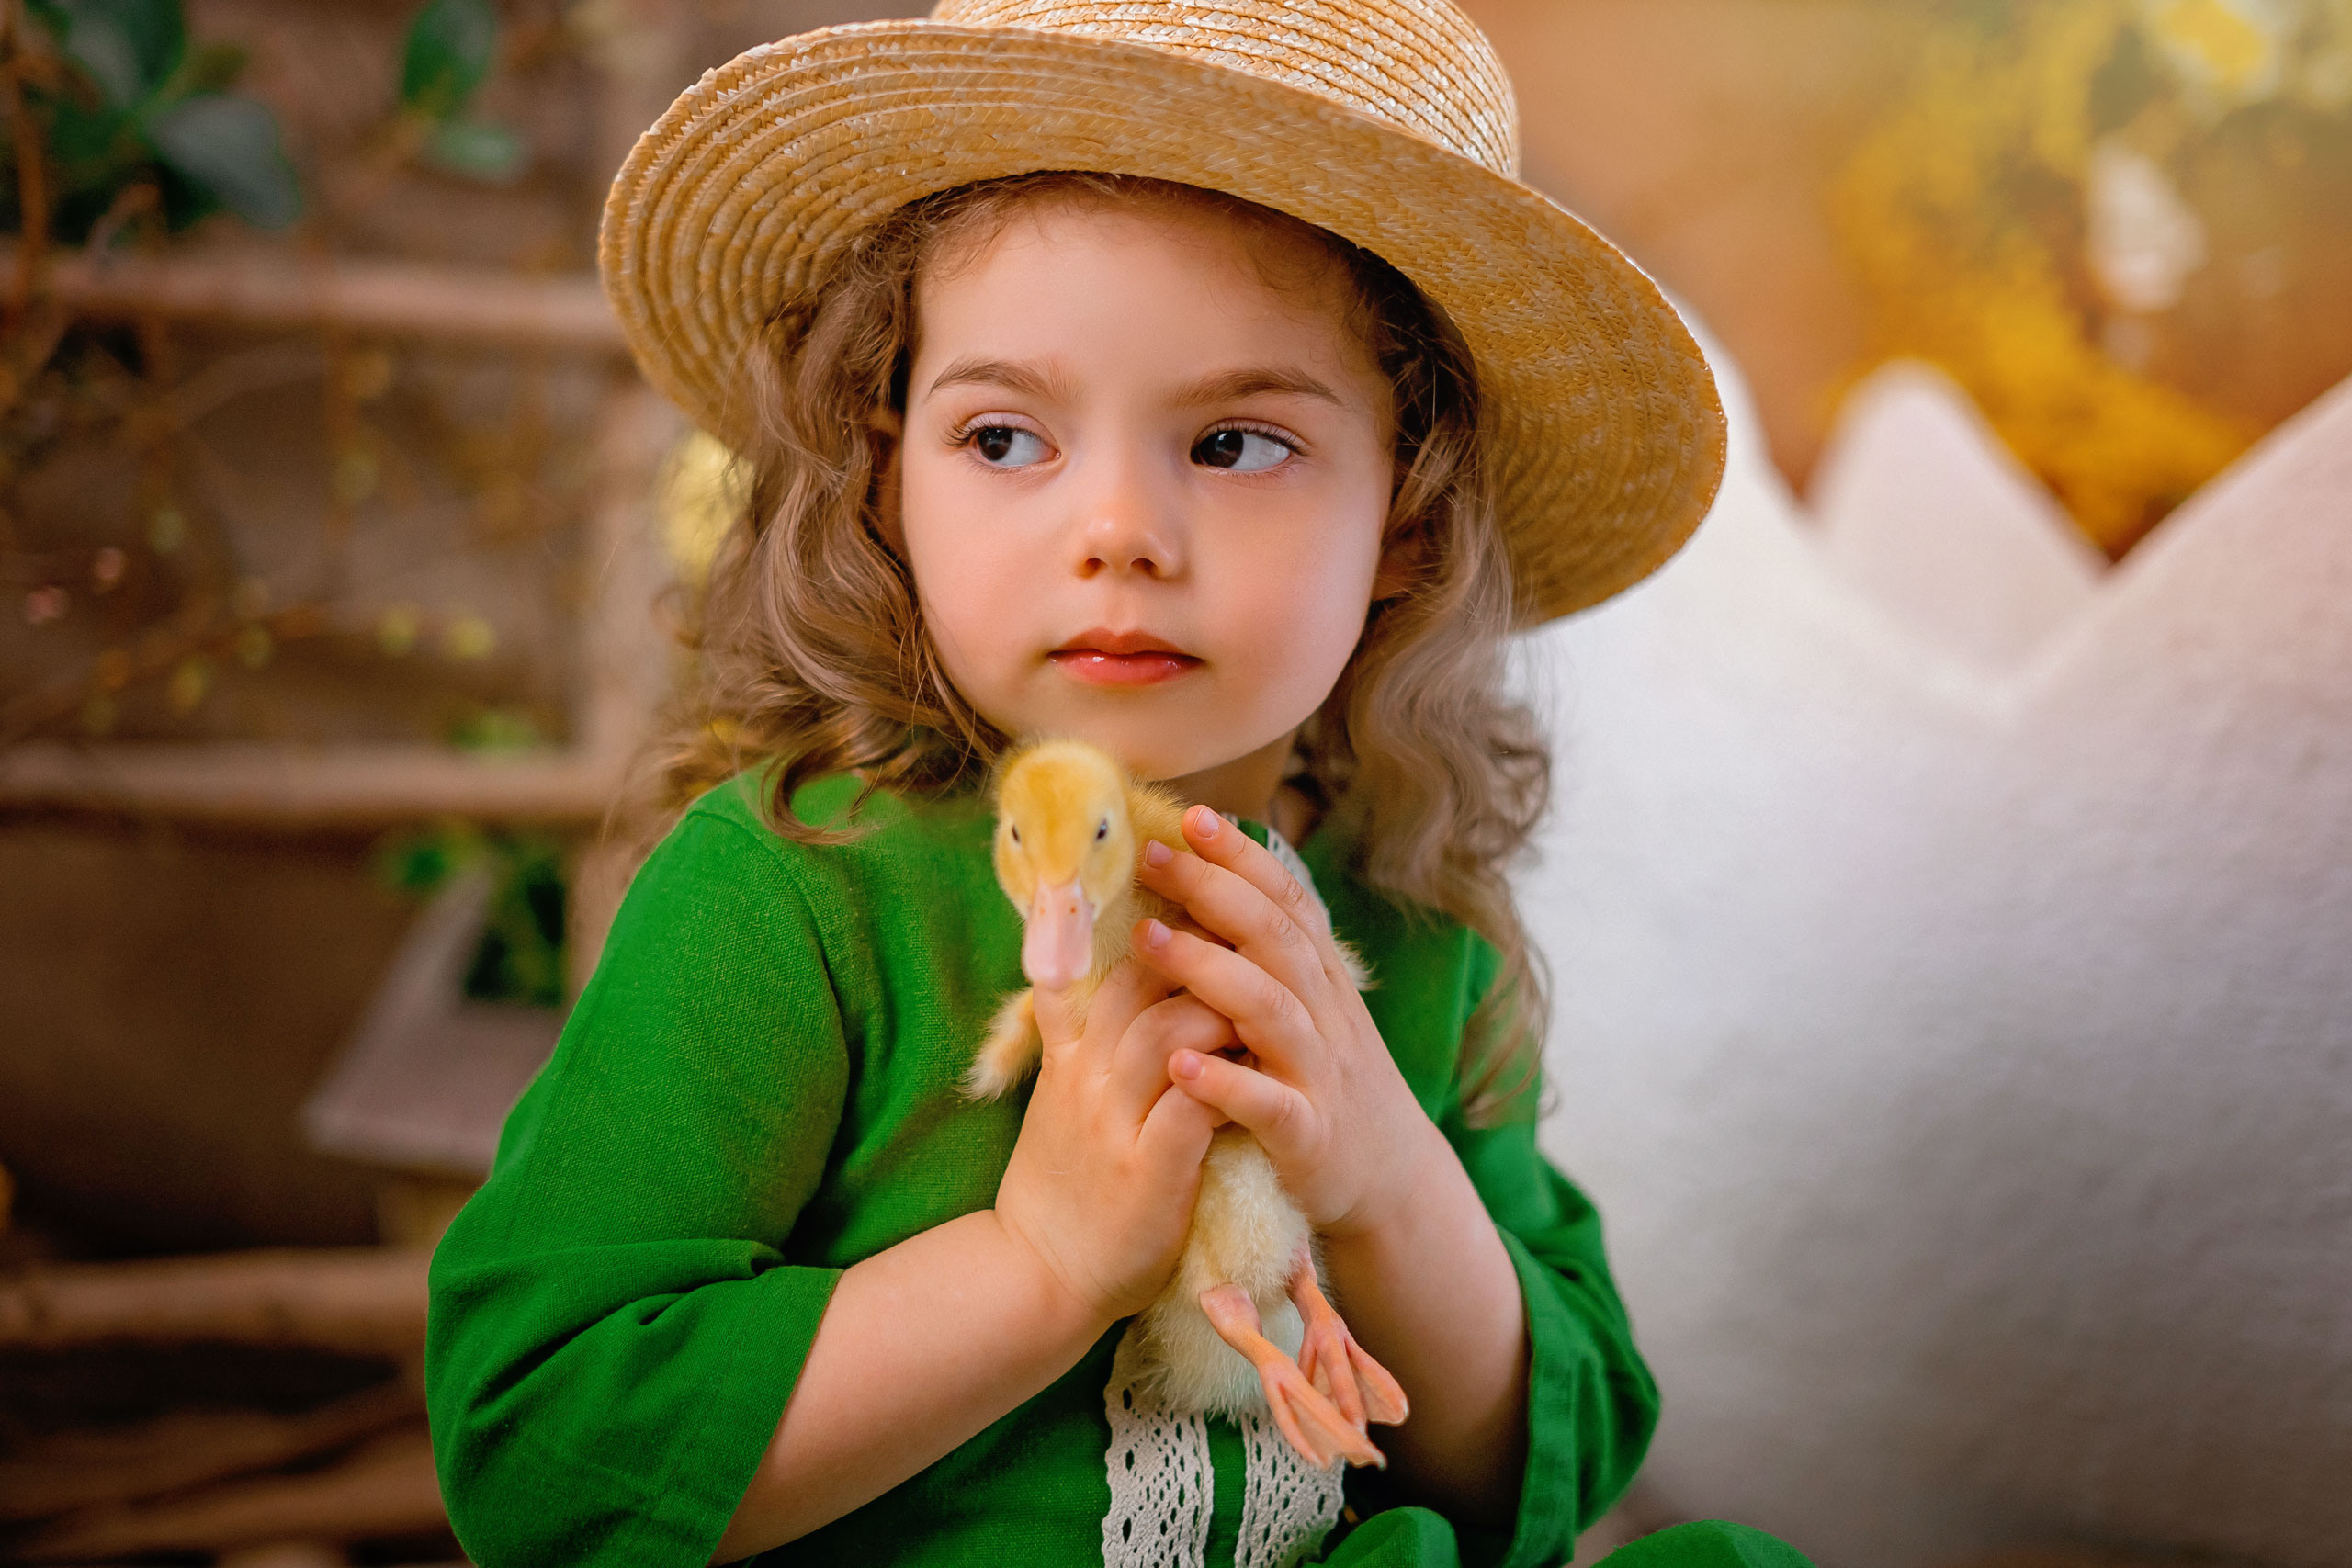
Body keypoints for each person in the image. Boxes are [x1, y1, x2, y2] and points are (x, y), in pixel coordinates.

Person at [426, 2, 1809, 1565]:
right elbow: (542, 1451)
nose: (1120, 533)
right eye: (1007, 436)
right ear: (887, 486)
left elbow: (1528, 1480)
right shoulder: (789, 891)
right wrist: (1038, 1265)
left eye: (1233, 444)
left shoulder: (1400, 925)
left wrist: (1387, 1178)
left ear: (1407, 519)